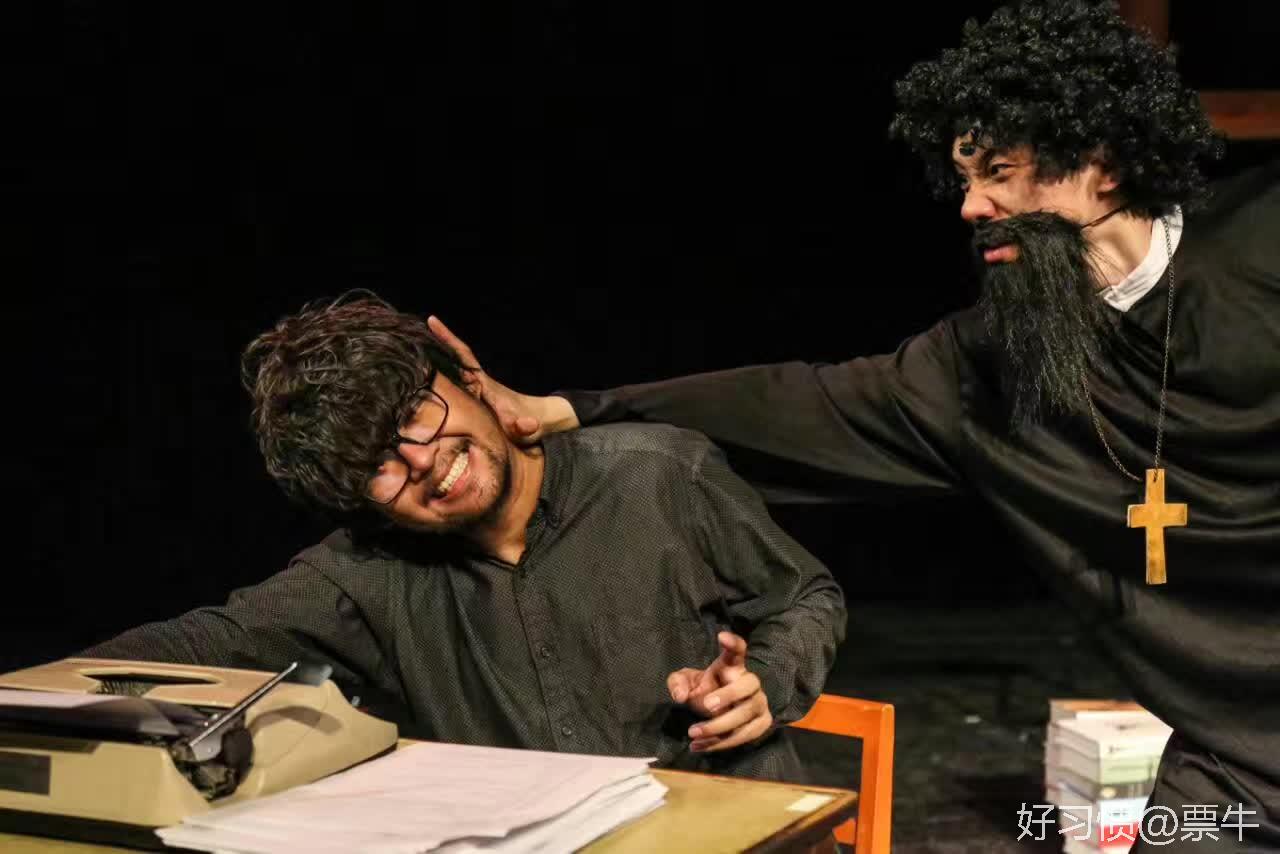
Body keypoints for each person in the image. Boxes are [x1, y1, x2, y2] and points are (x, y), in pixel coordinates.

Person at [426, 1, 1280, 849]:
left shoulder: (1261, 249)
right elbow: (792, 404)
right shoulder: (988, 367)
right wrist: (571, 408)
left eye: (1000, 171)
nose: (971, 206)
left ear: (1103, 165)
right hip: (1233, 765)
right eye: (963, 179)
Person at [81, 293, 846, 782]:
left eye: (416, 415)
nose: (420, 459)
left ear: (471, 382)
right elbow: (198, 644)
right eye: (376, 464)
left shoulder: (658, 472)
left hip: (731, 826)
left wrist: (763, 683)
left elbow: (806, 595)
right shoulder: (365, 573)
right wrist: (41, 691)